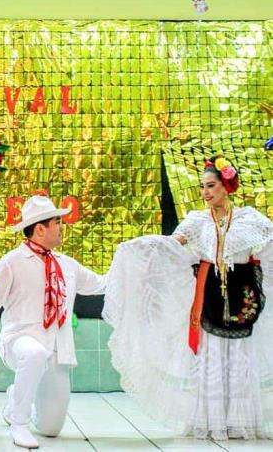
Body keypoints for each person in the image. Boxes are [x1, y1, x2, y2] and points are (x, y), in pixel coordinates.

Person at [103, 154, 273, 440]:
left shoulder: (249, 219)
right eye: (202, 188)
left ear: (226, 186)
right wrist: (141, 247)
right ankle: (212, 421)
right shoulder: (196, 221)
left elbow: (268, 244)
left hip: (242, 293)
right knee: (213, 354)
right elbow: (171, 247)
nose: (205, 193)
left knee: (240, 355)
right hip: (208, 295)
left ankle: (239, 422)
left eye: (210, 186)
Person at [0, 195, 106, 449]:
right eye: (57, 222)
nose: (61, 226)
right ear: (40, 228)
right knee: (33, 353)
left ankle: (16, 400)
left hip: (57, 351)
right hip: (18, 342)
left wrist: (134, 265)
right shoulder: (11, 262)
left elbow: (102, 284)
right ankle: (19, 424)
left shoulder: (67, 265)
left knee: (51, 429)